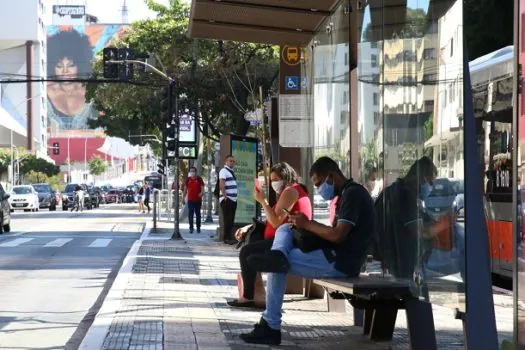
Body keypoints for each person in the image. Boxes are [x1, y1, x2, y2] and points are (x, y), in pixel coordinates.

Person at [239, 157, 375, 345]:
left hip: (340, 262)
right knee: (285, 230)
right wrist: (303, 225)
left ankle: (271, 326)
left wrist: (308, 224)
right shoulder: (346, 193)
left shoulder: (353, 194)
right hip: (332, 255)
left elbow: (338, 236)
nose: (319, 189)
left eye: (319, 183)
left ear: (331, 176)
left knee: (278, 264)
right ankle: (277, 254)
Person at [227, 162, 312, 309]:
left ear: (286, 177)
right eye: (272, 180)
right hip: (280, 238)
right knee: (251, 239)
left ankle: (248, 296)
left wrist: (263, 201)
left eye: (276, 179)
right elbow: (270, 219)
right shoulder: (287, 192)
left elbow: (275, 222)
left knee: (247, 252)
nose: (274, 183)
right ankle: (254, 290)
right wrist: (248, 226)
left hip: (287, 240)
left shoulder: (291, 192)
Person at [47, 29, 96, 130]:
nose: (65, 71)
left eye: (71, 65)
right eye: (59, 66)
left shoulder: (92, 91)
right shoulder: (43, 93)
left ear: (80, 65)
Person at [219, 155, 238, 244]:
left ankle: (229, 237)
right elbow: (222, 183)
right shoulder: (224, 171)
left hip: (233, 199)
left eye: (233, 161)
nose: (232, 163)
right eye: (230, 161)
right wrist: (225, 196)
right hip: (228, 199)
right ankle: (226, 238)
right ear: (226, 162)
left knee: (231, 219)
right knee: (228, 219)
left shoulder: (231, 172)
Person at [183, 167, 205, 233]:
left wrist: (201, 194)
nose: (192, 173)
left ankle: (198, 228)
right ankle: (191, 228)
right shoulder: (188, 180)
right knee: (191, 214)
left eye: (193, 171)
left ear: (196, 172)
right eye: (191, 171)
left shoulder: (199, 179)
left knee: (198, 214)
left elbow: (203, 189)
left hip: (198, 200)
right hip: (190, 200)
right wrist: (183, 198)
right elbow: (185, 189)